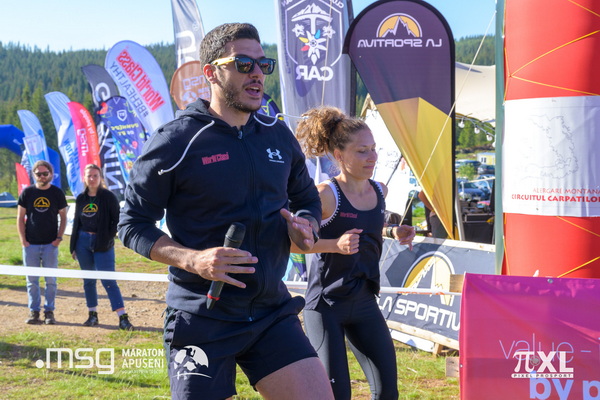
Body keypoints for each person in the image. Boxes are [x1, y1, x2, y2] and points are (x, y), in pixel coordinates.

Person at [118, 23, 333, 400]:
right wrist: (193, 260)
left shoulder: (277, 135)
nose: (257, 73)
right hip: (201, 317)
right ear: (211, 73)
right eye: (243, 63)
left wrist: (307, 225)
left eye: (263, 64)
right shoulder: (177, 140)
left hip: (270, 311)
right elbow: (132, 223)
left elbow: (306, 200)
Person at [294, 106, 416, 400]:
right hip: (326, 306)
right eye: (362, 151)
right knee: (337, 395)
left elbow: (367, 226)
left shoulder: (380, 190)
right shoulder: (325, 195)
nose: (372, 157)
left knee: (387, 392)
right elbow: (293, 244)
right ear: (339, 155)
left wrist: (393, 232)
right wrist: (334, 245)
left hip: (364, 300)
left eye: (373, 149)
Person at [70, 164, 133, 330]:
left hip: (103, 243)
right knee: (88, 280)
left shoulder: (108, 197)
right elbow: (76, 223)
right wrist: (73, 246)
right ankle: (92, 314)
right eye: (89, 176)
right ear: (84, 178)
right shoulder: (81, 198)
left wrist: (107, 238)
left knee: (108, 280)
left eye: (95, 176)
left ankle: (123, 317)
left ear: (100, 178)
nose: (92, 179)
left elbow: (117, 220)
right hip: (82, 242)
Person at [17, 160, 68, 325]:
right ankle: (34, 311)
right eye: (39, 174)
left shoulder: (57, 193)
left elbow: (64, 217)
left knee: (51, 281)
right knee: (31, 281)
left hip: (50, 245)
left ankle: (49, 311)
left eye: (45, 173)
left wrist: (58, 239)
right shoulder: (27, 192)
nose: (42, 176)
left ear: (51, 174)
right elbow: (20, 217)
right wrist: (23, 240)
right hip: (30, 244)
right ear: (34, 175)